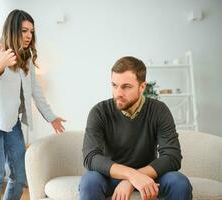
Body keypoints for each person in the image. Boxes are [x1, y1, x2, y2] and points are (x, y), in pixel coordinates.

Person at [0, 9, 66, 200]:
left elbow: (35, 92)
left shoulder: (27, 59)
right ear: (13, 29)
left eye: (31, 31)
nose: (29, 36)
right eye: (24, 30)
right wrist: (0, 65)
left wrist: (52, 117)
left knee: (20, 175)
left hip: (10, 122)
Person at [80, 56, 192, 200]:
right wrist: (131, 176)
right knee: (89, 182)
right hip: (110, 175)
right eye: (114, 85)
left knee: (179, 183)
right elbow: (91, 157)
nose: (118, 93)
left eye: (126, 87)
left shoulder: (159, 110)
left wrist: (132, 180)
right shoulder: (99, 111)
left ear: (142, 87)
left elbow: (172, 157)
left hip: (149, 175)